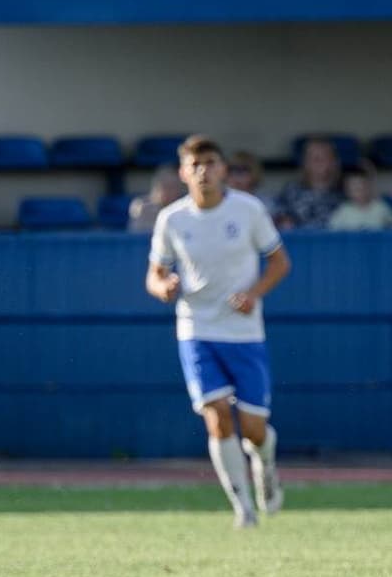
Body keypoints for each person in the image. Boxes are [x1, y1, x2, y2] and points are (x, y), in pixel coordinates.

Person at [146, 135, 292, 527]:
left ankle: (266, 465)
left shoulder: (248, 210)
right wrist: (164, 288)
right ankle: (243, 509)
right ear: (182, 172)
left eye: (209, 162)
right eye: (193, 164)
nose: (202, 171)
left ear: (223, 169)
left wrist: (254, 293)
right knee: (216, 417)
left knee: (253, 428)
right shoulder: (172, 219)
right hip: (196, 329)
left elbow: (279, 262)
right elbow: (155, 274)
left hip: (243, 332)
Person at [272, 137, 345, 230]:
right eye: (313, 158)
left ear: (335, 162)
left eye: (324, 157)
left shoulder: (349, 191)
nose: (319, 162)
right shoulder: (290, 192)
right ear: (304, 162)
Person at [326, 160, 392, 231]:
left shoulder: (380, 207)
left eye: (363, 186)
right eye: (355, 188)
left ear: (369, 186)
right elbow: (332, 231)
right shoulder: (343, 211)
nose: (360, 191)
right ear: (347, 190)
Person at [129, 164, 184, 234]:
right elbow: (135, 237)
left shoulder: (184, 209)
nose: (171, 192)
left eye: (174, 187)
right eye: (166, 187)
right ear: (156, 188)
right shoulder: (142, 208)